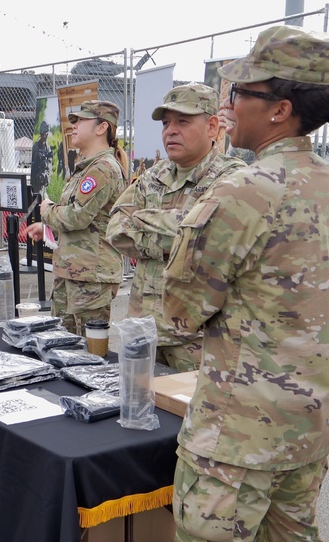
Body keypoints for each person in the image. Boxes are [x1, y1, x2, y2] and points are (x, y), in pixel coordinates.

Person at [115, 26, 329, 542]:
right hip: (311, 417)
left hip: (241, 425)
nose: (230, 108)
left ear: (279, 109)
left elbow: (182, 313)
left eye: (240, 96)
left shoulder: (243, 190)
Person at [105, 83, 245, 371]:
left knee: (188, 413)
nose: (170, 130)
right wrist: (178, 233)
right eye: (166, 123)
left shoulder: (232, 178)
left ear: (212, 126)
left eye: (183, 121)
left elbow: (209, 241)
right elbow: (116, 229)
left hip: (197, 335)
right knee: (137, 406)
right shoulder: (154, 175)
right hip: (143, 326)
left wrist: (144, 221)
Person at [26, 101, 128, 335]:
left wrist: (46, 210)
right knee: (61, 345)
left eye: (81, 120)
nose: (73, 126)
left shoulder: (103, 168)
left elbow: (75, 217)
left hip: (90, 277)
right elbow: (87, 220)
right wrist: (49, 228)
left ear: (101, 128)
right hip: (74, 272)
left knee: (88, 354)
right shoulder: (87, 167)